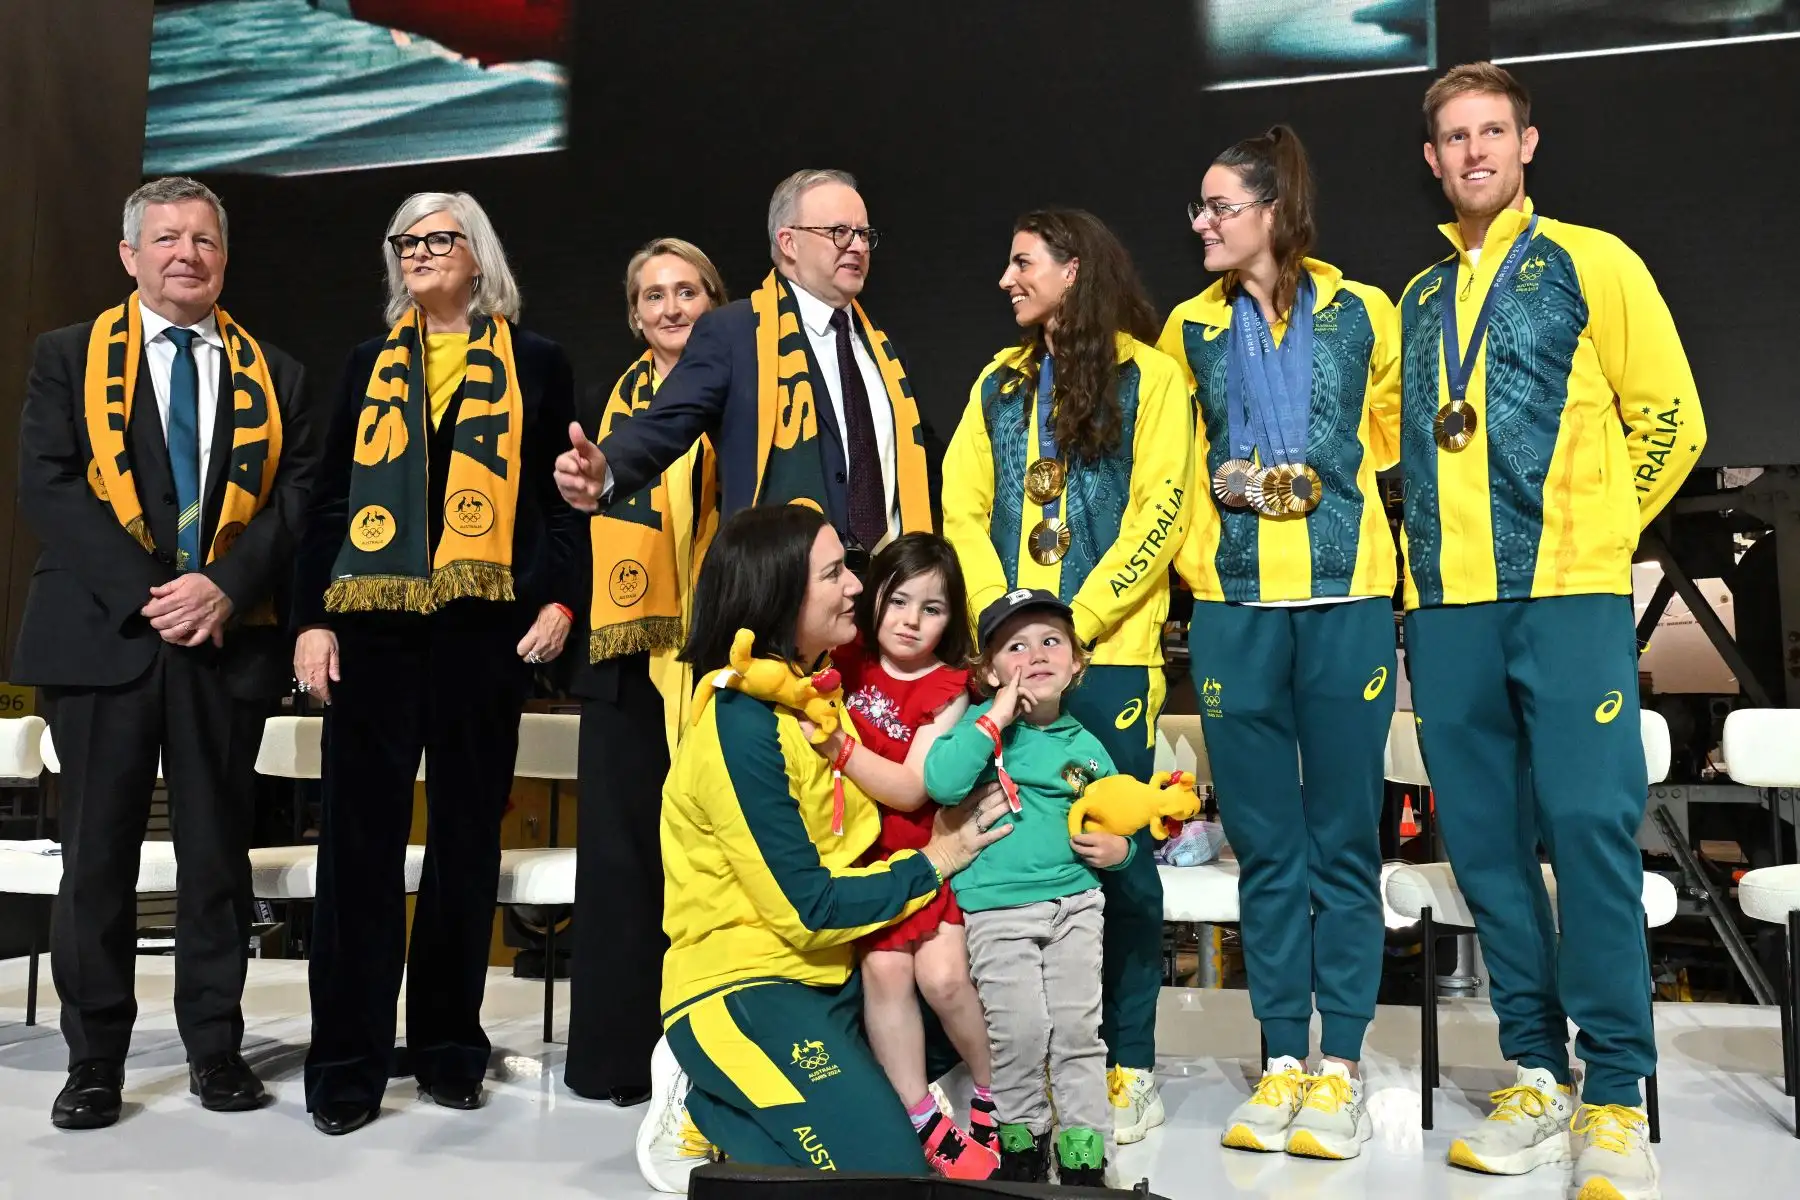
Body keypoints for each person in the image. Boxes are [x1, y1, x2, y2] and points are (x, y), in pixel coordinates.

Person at [1400, 63, 1704, 1198]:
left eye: (1493, 131)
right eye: (1453, 136)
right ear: (1431, 159)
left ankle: (1615, 1094)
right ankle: (1534, 1069)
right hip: (1449, 608)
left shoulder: (1594, 260)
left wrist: (1598, 533)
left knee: (1586, 830)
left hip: (1569, 596)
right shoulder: (1423, 299)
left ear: (1527, 144)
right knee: (1485, 850)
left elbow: (1672, 416)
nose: (1474, 150)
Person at [12, 176, 318, 1130]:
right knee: (95, 858)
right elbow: (49, 486)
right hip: (104, 640)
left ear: (224, 258)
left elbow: (297, 503)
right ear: (130, 255)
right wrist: (156, 595)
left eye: (205, 241)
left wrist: (223, 586)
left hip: (225, 644)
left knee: (216, 860)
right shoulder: (66, 356)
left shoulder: (280, 373)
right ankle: (94, 1061)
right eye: (168, 238)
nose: (188, 253)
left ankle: (215, 1051)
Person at [291, 191, 584, 1136]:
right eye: (405, 241)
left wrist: (558, 597)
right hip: (372, 635)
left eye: (437, 238)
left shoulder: (536, 364)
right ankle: (345, 1061)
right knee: (358, 854)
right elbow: (328, 502)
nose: (419, 253)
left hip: (481, 635)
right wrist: (312, 619)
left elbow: (563, 502)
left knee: (465, 848)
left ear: (478, 253)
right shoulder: (368, 365)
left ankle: (452, 1047)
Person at [1157, 126, 1401, 1162]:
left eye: (1218, 207)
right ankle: (1279, 1061)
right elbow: (1173, 461)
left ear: (1273, 211)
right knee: (1265, 845)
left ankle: (1339, 1062)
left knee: (1344, 841)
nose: (1202, 224)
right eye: (1200, 208)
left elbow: (1390, 435)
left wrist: (1308, 469)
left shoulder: (1363, 312)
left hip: (1346, 596)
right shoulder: (1187, 327)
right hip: (1236, 610)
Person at [655, 503, 1011, 1175]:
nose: (858, 585)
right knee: (890, 1175)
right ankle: (710, 1101)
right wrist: (937, 858)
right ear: (781, 594)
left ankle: (754, 1104)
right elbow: (808, 909)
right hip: (745, 989)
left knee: (975, 1000)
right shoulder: (742, 726)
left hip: (831, 976)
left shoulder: (816, 690)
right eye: (834, 574)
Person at [940, 209, 1192, 1144]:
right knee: (1009, 858)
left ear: (1075, 269)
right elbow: (961, 505)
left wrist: (1067, 631)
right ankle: (1027, 1069)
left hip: (1108, 659)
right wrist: (1001, 628)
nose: (1005, 280)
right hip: (1008, 665)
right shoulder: (998, 382)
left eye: (1022, 263)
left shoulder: (1150, 374)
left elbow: (1162, 509)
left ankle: (1127, 1065)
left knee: (1115, 862)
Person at [553, 169, 934, 568]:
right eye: (839, 232)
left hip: (885, 594)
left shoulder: (885, 355)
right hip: (780, 590)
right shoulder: (735, 333)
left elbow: (919, 464)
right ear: (788, 242)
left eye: (864, 234)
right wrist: (608, 467)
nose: (856, 246)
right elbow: (665, 422)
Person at [563, 238, 725, 1106]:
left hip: (721, 658)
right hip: (625, 662)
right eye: (652, 295)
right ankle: (618, 1060)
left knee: (716, 861)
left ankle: (712, 1061)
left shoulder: (752, 400)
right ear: (633, 315)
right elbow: (559, 524)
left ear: (714, 302)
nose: (669, 307)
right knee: (625, 864)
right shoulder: (600, 407)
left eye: (686, 291)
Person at [923, 588, 1140, 1186]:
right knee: (1018, 1030)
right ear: (990, 670)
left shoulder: (1087, 749)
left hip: (1075, 905)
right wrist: (993, 716)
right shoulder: (982, 728)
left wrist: (1122, 852)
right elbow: (941, 782)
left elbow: (1119, 814)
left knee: (1076, 1030)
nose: (1036, 655)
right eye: (1015, 646)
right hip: (996, 910)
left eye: (1051, 642)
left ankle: (1081, 1153)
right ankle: (1022, 1141)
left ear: (1075, 663)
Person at [805, 533, 998, 1177]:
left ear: (952, 617)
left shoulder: (950, 689)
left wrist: (840, 749)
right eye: (898, 600)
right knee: (885, 977)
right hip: (859, 857)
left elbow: (914, 786)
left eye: (933, 608)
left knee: (943, 980)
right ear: (874, 599)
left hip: (926, 853)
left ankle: (998, 1092)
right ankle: (923, 1116)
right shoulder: (848, 657)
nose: (911, 621)